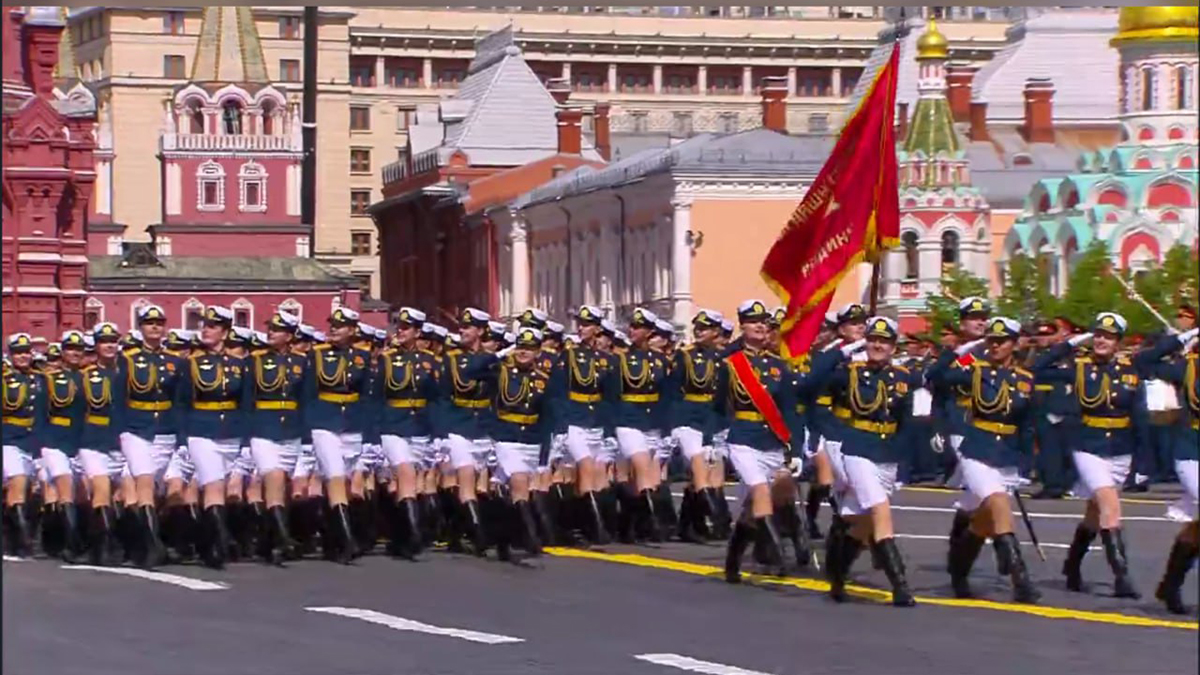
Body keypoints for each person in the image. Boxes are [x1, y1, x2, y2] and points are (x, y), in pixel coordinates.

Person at [930, 317, 1040, 603]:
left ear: (1014, 344)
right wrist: (962, 350)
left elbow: (1027, 425)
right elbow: (937, 377)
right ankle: (1021, 580)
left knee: (982, 520)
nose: (995, 346)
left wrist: (1026, 463)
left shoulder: (1025, 378)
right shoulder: (974, 369)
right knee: (998, 504)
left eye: (1002, 341)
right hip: (977, 449)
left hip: (1007, 454)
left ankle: (958, 572)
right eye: (991, 340)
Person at [1034, 312, 1142, 598]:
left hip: (1120, 448)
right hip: (1088, 445)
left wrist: (1143, 458)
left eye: (1109, 336)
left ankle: (1071, 566)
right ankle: (1122, 576)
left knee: (1095, 514)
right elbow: (1037, 367)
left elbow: (1139, 413)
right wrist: (1071, 343)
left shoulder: (1131, 368)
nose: (1101, 341)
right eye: (1098, 335)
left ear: (1118, 341)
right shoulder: (1078, 367)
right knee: (1110, 505)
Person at [814, 316, 916, 606]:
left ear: (894, 347)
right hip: (857, 449)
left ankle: (837, 575)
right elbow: (813, 380)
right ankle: (900, 586)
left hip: (887, 453)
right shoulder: (849, 372)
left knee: (862, 523)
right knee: (880, 510)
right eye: (872, 340)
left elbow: (908, 424)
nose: (877, 346)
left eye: (884, 341)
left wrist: (905, 465)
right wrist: (845, 348)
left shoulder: (905, 378)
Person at [717, 300, 800, 583]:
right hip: (743, 439)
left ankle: (733, 561)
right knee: (760, 490)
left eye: (764, 322)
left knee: (757, 504)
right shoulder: (731, 363)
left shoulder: (778, 366)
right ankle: (778, 557)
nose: (761, 326)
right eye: (753, 322)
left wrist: (795, 449)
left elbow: (789, 411)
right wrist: (709, 441)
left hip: (771, 441)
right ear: (742, 326)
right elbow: (717, 407)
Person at [464, 326, 553, 559]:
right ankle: (531, 538)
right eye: (520, 347)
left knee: (514, 491)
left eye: (529, 348)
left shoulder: (544, 380)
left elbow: (548, 418)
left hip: (531, 440)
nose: (523, 352)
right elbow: (471, 372)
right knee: (519, 482)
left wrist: (545, 454)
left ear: (538, 352)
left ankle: (501, 538)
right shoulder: (500, 372)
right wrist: (498, 355)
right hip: (505, 438)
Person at [1134, 325, 1200, 614]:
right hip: (1192, 453)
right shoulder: (1188, 368)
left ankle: (1170, 584)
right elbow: (1143, 362)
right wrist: (1182, 337)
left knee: (1196, 529)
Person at [304, 306, 373, 564]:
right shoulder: (317, 354)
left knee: (341, 483)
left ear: (353, 330)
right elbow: (308, 393)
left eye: (340, 325)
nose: (334, 329)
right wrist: (309, 427)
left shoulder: (362, 357)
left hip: (352, 424)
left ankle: (330, 538)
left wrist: (366, 428)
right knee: (335, 476)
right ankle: (347, 540)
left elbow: (366, 395)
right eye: (332, 324)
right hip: (324, 422)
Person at [117, 304, 184, 568]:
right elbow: (120, 397)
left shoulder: (175, 361)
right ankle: (151, 546)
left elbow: (179, 400)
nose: (154, 327)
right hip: (135, 427)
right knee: (140, 482)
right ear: (141, 328)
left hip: (164, 429)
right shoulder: (128, 360)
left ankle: (141, 544)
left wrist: (179, 433)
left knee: (147, 486)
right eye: (149, 323)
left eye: (159, 323)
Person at [375, 307, 441, 559]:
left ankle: (402, 535)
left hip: (421, 427)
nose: (400, 331)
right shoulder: (387, 359)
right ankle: (413, 535)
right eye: (399, 327)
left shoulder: (430, 361)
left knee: (412, 482)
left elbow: (437, 398)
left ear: (417, 332)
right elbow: (377, 396)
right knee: (405, 473)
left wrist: (438, 431)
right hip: (393, 424)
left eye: (406, 328)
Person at [241, 310, 306, 564]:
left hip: (291, 430)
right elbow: (247, 400)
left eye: (277, 330)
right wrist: (246, 437)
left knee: (282, 486)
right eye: (270, 328)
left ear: (289, 336)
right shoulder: (254, 361)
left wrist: (306, 435)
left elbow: (306, 400)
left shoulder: (302, 362)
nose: (271, 333)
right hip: (263, 429)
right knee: (273, 478)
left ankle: (269, 541)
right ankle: (284, 538)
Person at [546, 304, 613, 545]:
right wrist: (561, 426)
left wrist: (609, 430)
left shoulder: (607, 360)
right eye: (580, 324)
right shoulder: (569, 356)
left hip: (595, 422)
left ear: (597, 328)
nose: (581, 328)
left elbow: (611, 397)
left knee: (584, 476)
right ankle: (596, 528)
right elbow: (556, 392)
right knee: (585, 466)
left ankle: (572, 526)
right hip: (573, 420)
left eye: (587, 324)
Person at [604, 307, 672, 542]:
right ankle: (653, 524)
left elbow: (667, 398)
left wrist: (667, 429)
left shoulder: (661, 361)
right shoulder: (620, 360)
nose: (632, 330)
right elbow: (612, 397)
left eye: (638, 327)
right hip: (628, 420)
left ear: (650, 331)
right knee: (642, 467)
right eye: (632, 326)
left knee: (642, 479)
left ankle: (628, 525)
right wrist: (610, 429)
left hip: (652, 423)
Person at [669, 309, 731, 542]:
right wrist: (673, 425)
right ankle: (712, 518)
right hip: (688, 418)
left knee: (710, 471)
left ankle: (689, 524)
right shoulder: (684, 356)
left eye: (704, 329)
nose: (699, 332)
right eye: (697, 328)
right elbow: (673, 392)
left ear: (716, 332)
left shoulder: (723, 359)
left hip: (712, 420)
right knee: (698, 464)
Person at [439, 307, 496, 555]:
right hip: (458, 425)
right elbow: (442, 397)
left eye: (467, 327)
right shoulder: (451, 359)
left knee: (479, 482)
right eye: (461, 327)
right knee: (465, 475)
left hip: (483, 426)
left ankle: (455, 530)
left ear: (480, 331)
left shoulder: (492, 361)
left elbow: (497, 394)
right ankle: (478, 534)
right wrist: (442, 432)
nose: (462, 331)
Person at [76, 323, 126, 565]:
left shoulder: (127, 373)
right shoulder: (84, 376)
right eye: (104, 341)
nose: (109, 345)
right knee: (101, 488)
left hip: (122, 440)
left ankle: (114, 542)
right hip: (93, 439)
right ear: (95, 345)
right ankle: (103, 547)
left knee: (122, 494)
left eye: (113, 341)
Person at [1030, 319, 1077, 499]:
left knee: (1065, 449)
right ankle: (1052, 484)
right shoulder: (1031, 354)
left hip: (1063, 407)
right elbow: (1031, 370)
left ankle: (1064, 484)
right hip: (1039, 407)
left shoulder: (1067, 354)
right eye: (1039, 334)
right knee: (1047, 449)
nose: (1042, 338)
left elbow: (1073, 374)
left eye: (1047, 334)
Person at [3, 334, 40, 557]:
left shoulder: (41, 378)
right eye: (18, 353)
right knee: (17, 482)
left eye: (26, 352)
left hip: (34, 440)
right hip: (9, 438)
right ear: (10, 355)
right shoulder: (5, 379)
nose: (23, 356)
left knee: (32, 490)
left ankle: (17, 537)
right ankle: (23, 540)